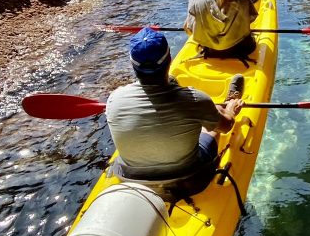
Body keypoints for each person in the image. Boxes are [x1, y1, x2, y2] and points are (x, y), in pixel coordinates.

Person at [105, 26, 244, 182]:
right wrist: (230, 110)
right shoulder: (196, 100)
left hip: (131, 177)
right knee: (210, 127)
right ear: (170, 59)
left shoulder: (113, 99)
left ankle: (210, 114)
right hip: (189, 176)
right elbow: (226, 126)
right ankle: (225, 104)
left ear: (133, 65)